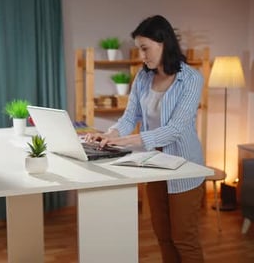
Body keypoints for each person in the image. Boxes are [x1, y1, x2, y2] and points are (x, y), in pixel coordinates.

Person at [85, 15, 205, 263]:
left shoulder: (191, 79)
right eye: (139, 49)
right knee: (163, 236)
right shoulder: (143, 77)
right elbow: (130, 117)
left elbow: (176, 128)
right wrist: (109, 136)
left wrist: (129, 141)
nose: (142, 55)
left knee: (184, 238)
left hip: (184, 167)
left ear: (163, 43)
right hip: (153, 164)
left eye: (145, 48)